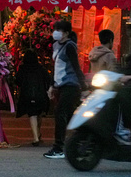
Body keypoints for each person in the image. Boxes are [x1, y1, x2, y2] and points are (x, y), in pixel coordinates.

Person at [44, 19, 87, 159]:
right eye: (54, 29)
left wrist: (84, 87)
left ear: (67, 33)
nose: (55, 33)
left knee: (60, 113)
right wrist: (52, 85)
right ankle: (83, 141)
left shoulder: (69, 46)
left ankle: (58, 148)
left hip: (71, 85)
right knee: (69, 117)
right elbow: (55, 67)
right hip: (60, 85)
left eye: (59, 30)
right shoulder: (56, 45)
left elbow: (76, 67)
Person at [14, 49, 51, 146]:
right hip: (41, 95)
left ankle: (35, 137)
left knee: (32, 114)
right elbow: (49, 79)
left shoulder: (22, 69)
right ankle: (38, 134)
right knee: (39, 114)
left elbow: (17, 81)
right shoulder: (41, 68)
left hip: (27, 95)